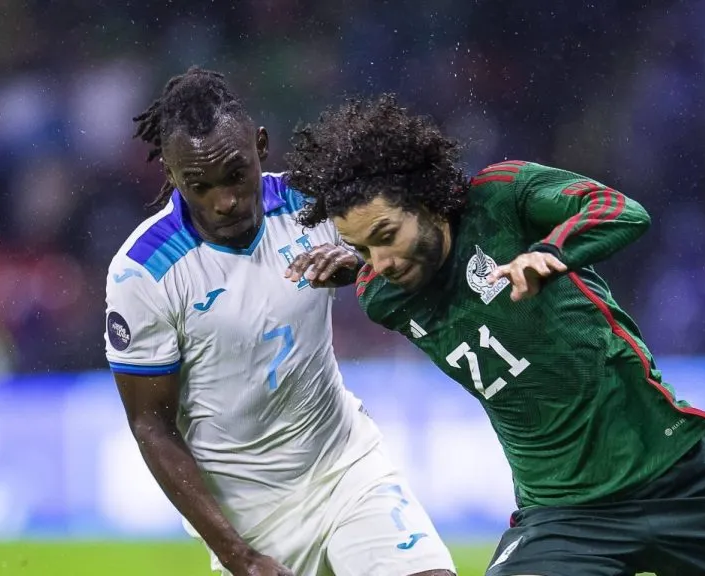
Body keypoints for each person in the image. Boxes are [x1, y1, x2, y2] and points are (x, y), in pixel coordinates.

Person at [283, 94, 705, 576]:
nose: (383, 263)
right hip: (562, 515)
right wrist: (359, 261)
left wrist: (551, 250)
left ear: (426, 199)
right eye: (363, 248)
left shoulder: (502, 198)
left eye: (387, 236)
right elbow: (385, 268)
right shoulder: (384, 298)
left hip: (677, 477)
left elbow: (621, 211)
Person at [105, 68, 456, 576]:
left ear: (261, 146)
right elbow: (150, 425)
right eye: (199, 185)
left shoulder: (314, 205)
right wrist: (237, 555)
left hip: (346, 468)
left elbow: (411, 257)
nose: (223, 200)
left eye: (235, 174)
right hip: (251, 521)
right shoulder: (143, 271)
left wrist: (362, 269)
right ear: (172, 175)